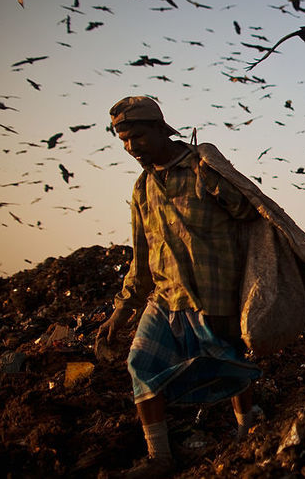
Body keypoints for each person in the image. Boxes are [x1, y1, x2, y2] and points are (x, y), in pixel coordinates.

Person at [95, 96, 264, 478]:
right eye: (122, 140)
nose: (130, 147)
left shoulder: (201, 168)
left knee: (231, 363)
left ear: (160, 129)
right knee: (139, 363)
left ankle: (247, 431)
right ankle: (160, 458)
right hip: (165, 297)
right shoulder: (142, 189)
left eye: (136, 135)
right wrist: (120, 311)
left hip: (214, 292)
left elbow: (250, 214)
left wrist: (218, 178)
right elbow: (140, 259)